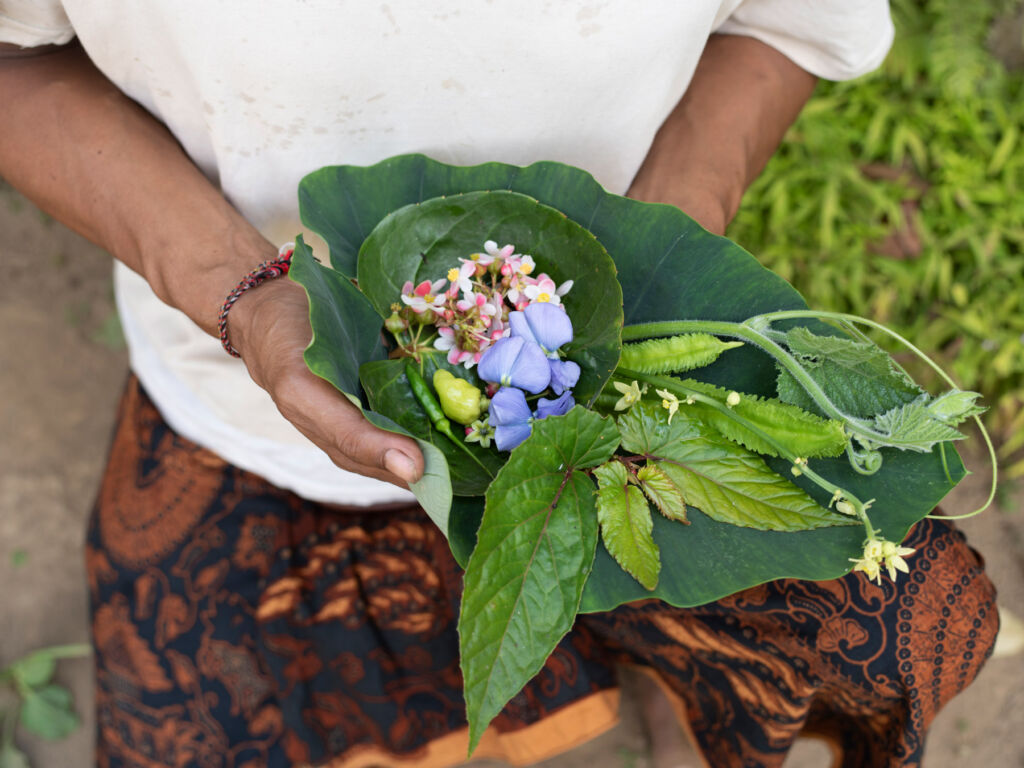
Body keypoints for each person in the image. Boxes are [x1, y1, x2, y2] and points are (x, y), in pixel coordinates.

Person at [0, 4, 998, 766]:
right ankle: (610, 653)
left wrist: (661, 238)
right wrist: (240, 289)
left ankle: (680, 669)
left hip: (599, 405)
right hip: (239, 399)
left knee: (895, 622)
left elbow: (783, 22)